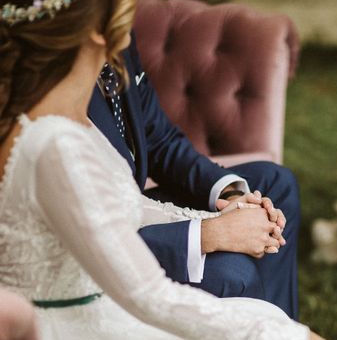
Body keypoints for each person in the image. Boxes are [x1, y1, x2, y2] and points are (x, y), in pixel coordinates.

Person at [0, 0, 337, 340]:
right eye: (123, 2)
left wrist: (222, 215)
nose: (136, 5)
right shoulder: (59, 145)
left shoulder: (35, 123)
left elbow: (125, 206)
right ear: (94, 32)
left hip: (81, 327)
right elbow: (150, 297)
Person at [89, 30, 302, 319]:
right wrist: (211, 233)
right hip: (97, 232)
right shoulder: (46, 84)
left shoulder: (121, 36)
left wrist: (231, 195)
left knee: (275, 183)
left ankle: (278, 335)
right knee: (234, 273)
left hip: (131, 202)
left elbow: (158, 140)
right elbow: (81, 231)